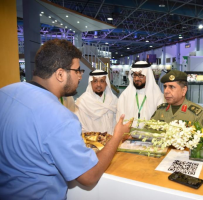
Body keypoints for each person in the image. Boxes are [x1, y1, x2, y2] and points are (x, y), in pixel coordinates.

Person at [0, 39, 131, 199]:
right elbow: (89, 176)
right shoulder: (59, 116)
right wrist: (118, 136)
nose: (80, 77)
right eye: (77, 71)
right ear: (61, 74)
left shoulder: (5, 93)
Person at [116, 61, 164, 126]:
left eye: (141, 75)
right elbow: (119, 117)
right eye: (135, 75)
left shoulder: (157, 96)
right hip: (128, 134)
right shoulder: (125, 95)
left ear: (148, 76)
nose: (136, 78)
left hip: (149, 135)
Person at [75, 70, 118, 135]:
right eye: (95, 81)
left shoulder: (114, 100)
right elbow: (80, 127)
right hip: (91, 143)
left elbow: (117, 122)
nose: (98, 84)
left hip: (111, 141)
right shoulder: (82, 102)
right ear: (91, 83)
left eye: (102, 81)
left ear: (106, 83)